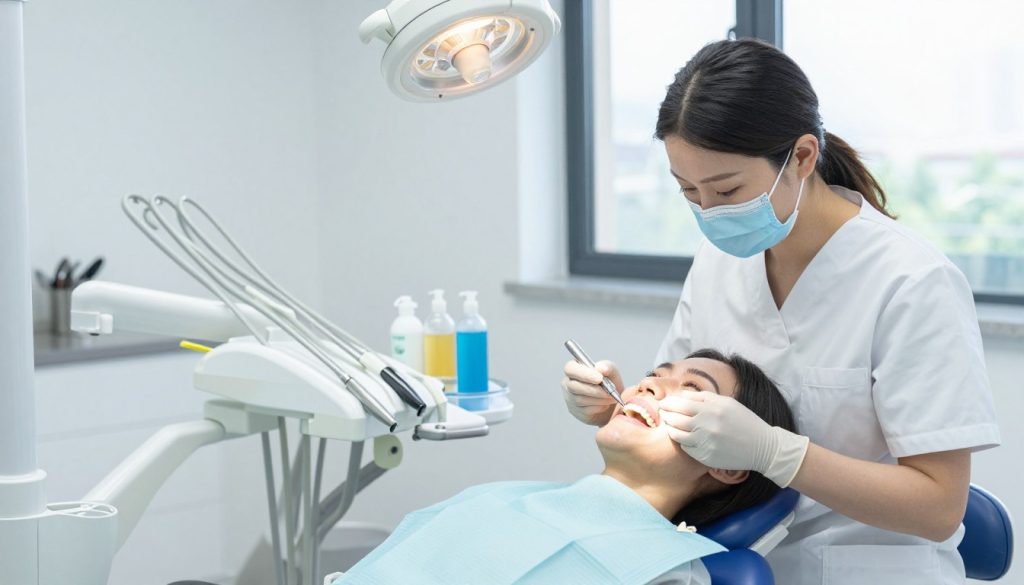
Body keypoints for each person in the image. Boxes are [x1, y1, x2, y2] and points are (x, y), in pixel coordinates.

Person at [562, 38, 1000, 585]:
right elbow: (685, 424)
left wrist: (779, 453)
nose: (709, 212)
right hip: (727, 564)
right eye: (688, 192)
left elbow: (938, 509)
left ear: (801, 157)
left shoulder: (912, 282)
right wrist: (620, 408)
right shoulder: (720, 260)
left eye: (726, 189)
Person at [329, 350, 797, 585]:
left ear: (730, 461)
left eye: (693, 389)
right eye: (655, 374)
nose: (649, 387)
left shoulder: (668, 573)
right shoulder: (500, 496)